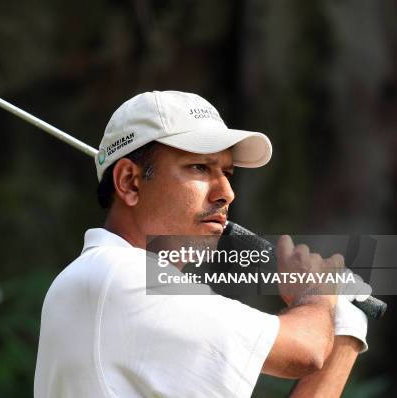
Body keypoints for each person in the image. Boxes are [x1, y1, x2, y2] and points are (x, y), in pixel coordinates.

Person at [34, 91, 369, 397]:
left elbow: (312, 348)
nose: (226, 192)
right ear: (129, 182)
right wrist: (316, 294)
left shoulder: (117, 287)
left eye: (226, 172)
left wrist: (346, 324)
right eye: (199, 167)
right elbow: (305, 350)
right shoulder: (120, 275)